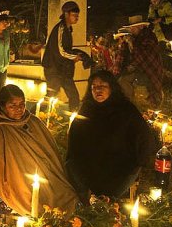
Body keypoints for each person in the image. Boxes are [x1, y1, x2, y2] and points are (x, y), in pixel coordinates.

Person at [0, 84, 80, 216]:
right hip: (18, 183)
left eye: (22, 104)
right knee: (38, 207)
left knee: (68, 196)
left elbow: (50, 153)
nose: (19, 109)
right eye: (13, 106)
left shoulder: (33, 122)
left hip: (46, 176)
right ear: (2, 106)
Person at [66, 70, 160, 200]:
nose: (98, 90)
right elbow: (75, 140)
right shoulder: (87, 109)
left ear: (111, 88)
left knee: (111, 189)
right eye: (94, 87)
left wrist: (140, 161)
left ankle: (107, 202)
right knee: (73, 169)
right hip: (90, 164)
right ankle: (86, 201)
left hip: (120, 165)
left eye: (102, 86)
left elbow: (143, 137)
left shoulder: (126, 109)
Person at [43, 1, 82, 111]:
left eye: (77, 15)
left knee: (74, 96)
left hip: (62, 69)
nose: (77, 18)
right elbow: (59, 50)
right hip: (53, 69)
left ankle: (73, 121)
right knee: (51, 97)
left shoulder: (68, 29)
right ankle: (38, 119)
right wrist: (73, 57)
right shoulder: (60, 28)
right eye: (74, 15)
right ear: (66, 14)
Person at [117, 16, 164, 109]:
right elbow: (128, 56)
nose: (131, 29)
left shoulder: (149, 37)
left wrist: (131, 44)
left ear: (141, 26)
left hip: (149, 71)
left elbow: (144, 56)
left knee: (136, 88)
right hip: (138, 71)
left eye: (133, 27)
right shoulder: (135, 38)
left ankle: (138, 105)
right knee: (122, 81)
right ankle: (132, 105)